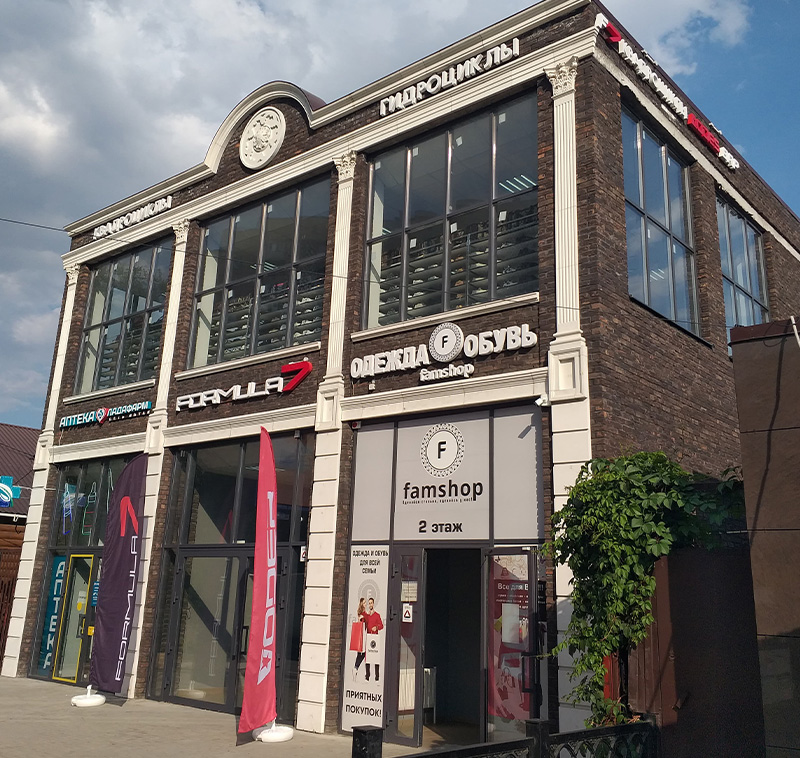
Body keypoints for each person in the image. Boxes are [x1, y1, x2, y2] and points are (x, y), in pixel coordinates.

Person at [363, 596, 384, 682]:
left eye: (371, 603)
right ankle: (367, 675)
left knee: (375, 657)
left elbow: (381, 625)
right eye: (369, 603)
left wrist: (376, 627)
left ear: (373, 604)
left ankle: (377, 676)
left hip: (375, 638)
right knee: (367, 656)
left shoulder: (377, 615)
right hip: (368, 637)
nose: (370, 605)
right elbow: (363, 623)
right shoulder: (367, 616)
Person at [353, 598, 366, 680]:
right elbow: (360, 623)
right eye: (364, 603)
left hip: (364, 633)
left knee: (362, 653)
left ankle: (356, 668)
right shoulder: (361, 613)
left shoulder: (364, 612)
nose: (365, 604)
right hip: (362, 634)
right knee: (362, 653)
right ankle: (356, 668)